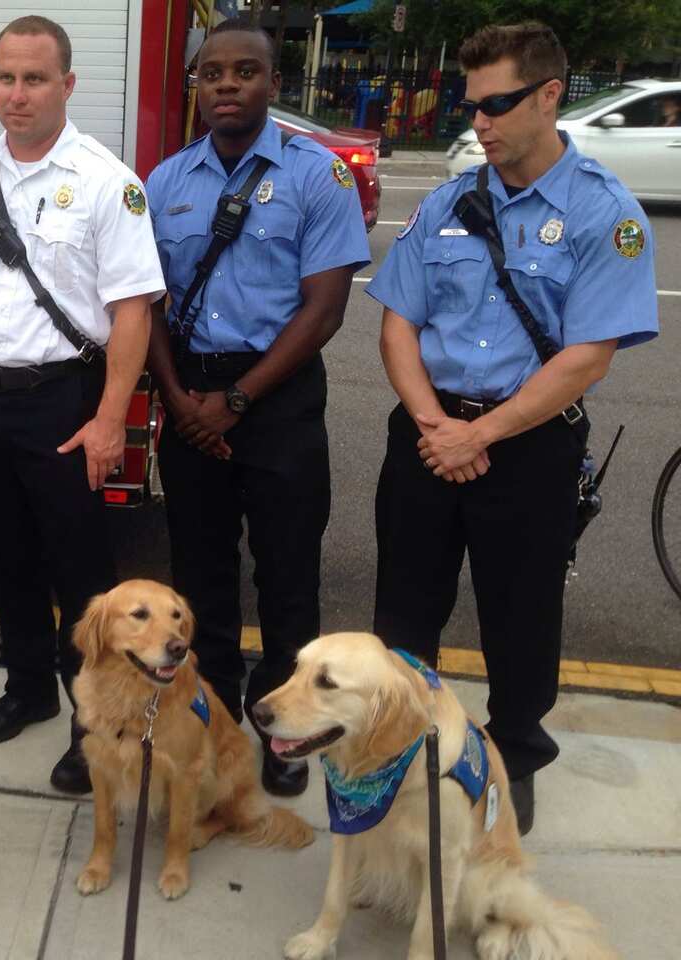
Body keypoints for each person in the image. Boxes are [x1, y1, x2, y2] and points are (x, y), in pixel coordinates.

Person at [367, 22, 658, 834]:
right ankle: (397, 747)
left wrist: (479, 436)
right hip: (428, 436)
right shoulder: (448, 201)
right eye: (473, 107)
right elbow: (397, 322)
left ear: (550, 95)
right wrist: (435, 425)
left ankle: (514, 758)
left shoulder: (606, 213)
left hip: (527, 448)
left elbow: (587, 358)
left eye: (496, 105)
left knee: (522, 618)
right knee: (403, 611)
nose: (479, 124)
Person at [0, 15, 164, 794]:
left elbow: (132, 309)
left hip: (66, 398)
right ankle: (28, 687)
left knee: (82, 577)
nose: (17, 94)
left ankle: (92, 721)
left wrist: (108, 418)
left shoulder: (107, 182)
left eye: (35, 79)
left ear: (67, 85)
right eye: (5, 77)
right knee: (1, 555)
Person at [144, 19, 369, 798]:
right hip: (190, 394)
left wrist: (236, 400)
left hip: (275, 399)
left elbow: (326, 309)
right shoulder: (166, 182)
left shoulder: (318, 175)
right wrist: (178, 399)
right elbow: (147, 303)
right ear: (196, 87)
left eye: (245, 72)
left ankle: (285, 732)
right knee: (198, 576)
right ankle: (211, 719)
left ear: (275, 83)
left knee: (287, 578)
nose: (228, 86)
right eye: (213, 75)